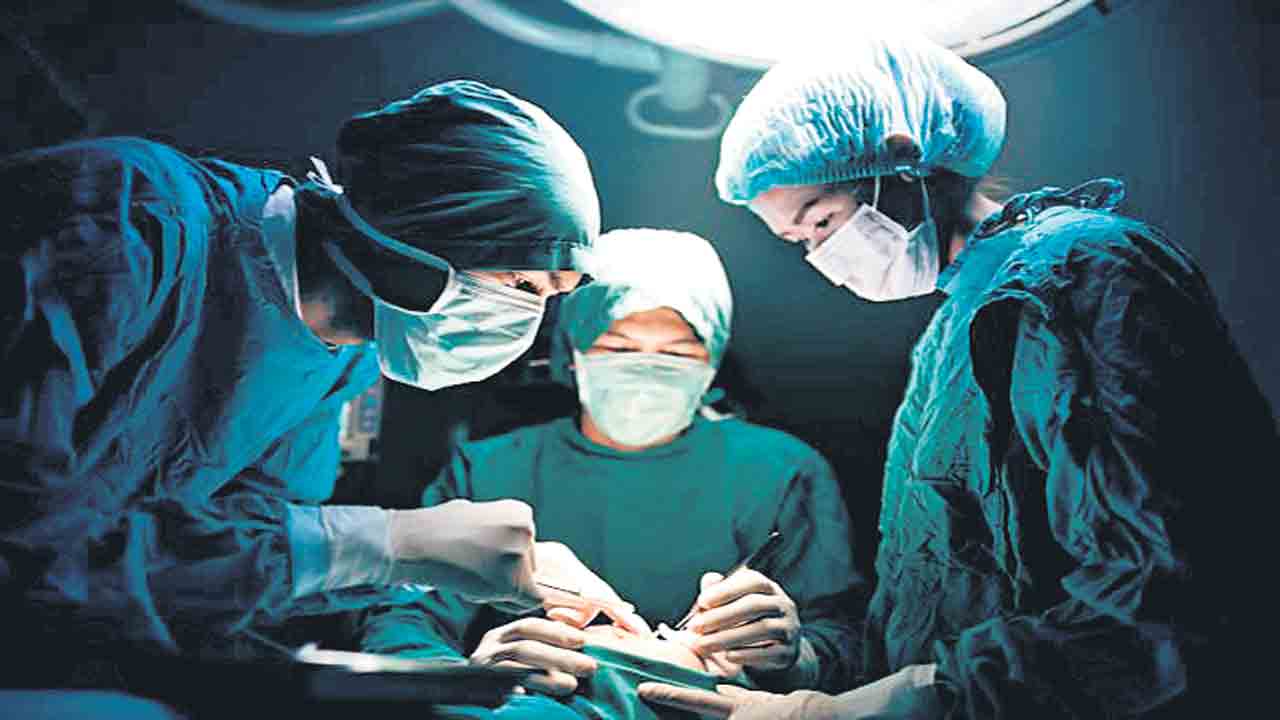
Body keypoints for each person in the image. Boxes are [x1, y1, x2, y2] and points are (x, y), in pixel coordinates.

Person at [639, 31, 1278, 719]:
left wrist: (886, 710)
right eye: (801, 242)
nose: (821, 256)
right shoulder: (952, 330)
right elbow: (935, 605)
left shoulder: (1082, 275)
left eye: (821, 221)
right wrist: (804, 660)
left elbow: (1166, 601)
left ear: (902, 159)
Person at [0, 79, 625, 695]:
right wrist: (390, 545)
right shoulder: (124, 223)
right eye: (521, 283)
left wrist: (427, 618)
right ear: (422, 230)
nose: (527, 321)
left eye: (551, 298)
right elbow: (26, 549)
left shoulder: (345, 361)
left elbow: (216, 571)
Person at [357, 228, 864, 719]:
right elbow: (403, 623)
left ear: (712, 361)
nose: (647, 367)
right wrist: (468, 681)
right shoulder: (489, 470)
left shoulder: (780, 472)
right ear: (572, 354)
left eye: (677, 351)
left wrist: (796, 659)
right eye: (618, 347)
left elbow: (848, 646)